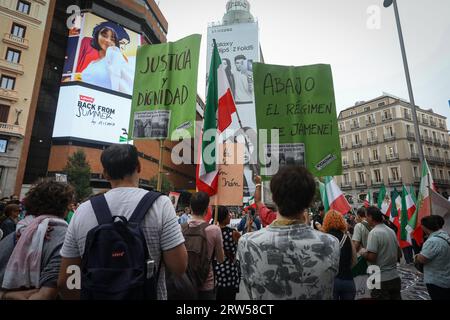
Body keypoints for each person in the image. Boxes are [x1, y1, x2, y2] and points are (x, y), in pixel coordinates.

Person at [57, 144, 187, 300]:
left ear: (105, 174)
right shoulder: (161, 204)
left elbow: (66, 281)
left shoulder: (82, 210)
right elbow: (179, 266)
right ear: (139, 167)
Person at [237, 166, 340, 300]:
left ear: (274, 197)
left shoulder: (247, 243)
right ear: (309, 201)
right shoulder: (331, 244)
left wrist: (258, 183)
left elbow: (251, 292)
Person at [0, 180, 74, 300]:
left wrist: (4, 294)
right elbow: (48, 295)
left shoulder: (13, 236)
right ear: (66, 207)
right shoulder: (66, 239)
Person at [184, 192, 224, 300]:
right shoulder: (214, 230)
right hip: (206, 284)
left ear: (191, 208)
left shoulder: (180, 228)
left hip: (184, 284)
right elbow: (221, 259)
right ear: (207, 209)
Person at [361, 206, 402, 300]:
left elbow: (372, 257)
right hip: (394, 277)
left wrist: (362, 252)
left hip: (379, 279)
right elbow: (399, 254)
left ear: (371, 217)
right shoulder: (391, 231)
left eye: (366, 216)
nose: (366, 219)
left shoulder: (374, 233)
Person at [81, 22, 133, 94]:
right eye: (122, 43)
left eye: (112, 38)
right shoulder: (91, 60)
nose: (108, 40)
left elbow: (123, 85)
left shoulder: (118, 57)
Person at [322, 210, 357, 300]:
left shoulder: (323, 238)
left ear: (325, 222)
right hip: (348, 280)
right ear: (341, 221)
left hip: (330, 282)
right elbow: (354, 260)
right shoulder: (347, 237)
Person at [414, 215, 450, 300]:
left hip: (437, 281)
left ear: (425, 227)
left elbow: (422, 259)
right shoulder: (445, 235)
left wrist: (416, 256)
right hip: (446, 277)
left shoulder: (432, 241)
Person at [214, 206, 241, 301]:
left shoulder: (212, 231)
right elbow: (245, 243)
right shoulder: (233, 233)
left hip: (216, 272)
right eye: (228, 214)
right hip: (230, 271)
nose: (230, 216)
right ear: (224, 217)